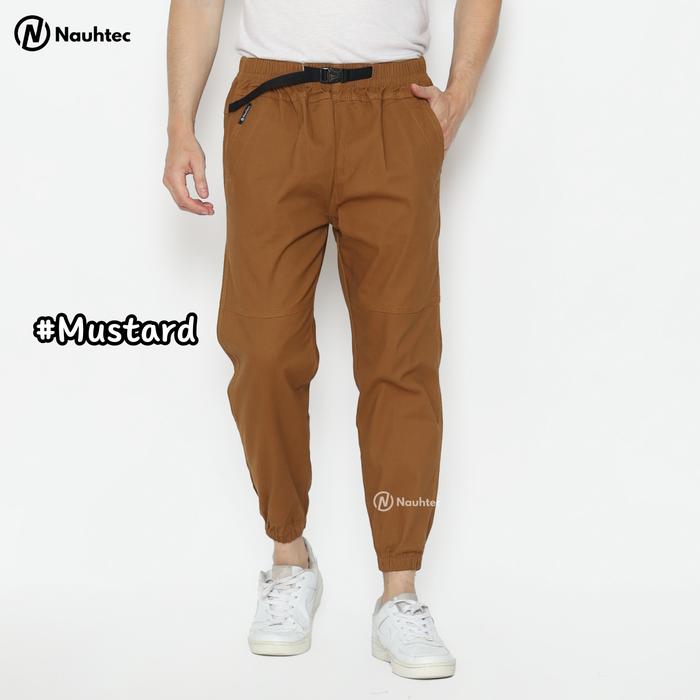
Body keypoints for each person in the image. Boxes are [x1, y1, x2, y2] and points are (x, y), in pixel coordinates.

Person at [163, 0, 500, 680]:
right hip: (272, 104)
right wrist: (179, 126)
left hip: (395, 102)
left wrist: (459, 93)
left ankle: (399, 591)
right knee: (262, 348)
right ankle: (290, 559)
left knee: (401, 354)